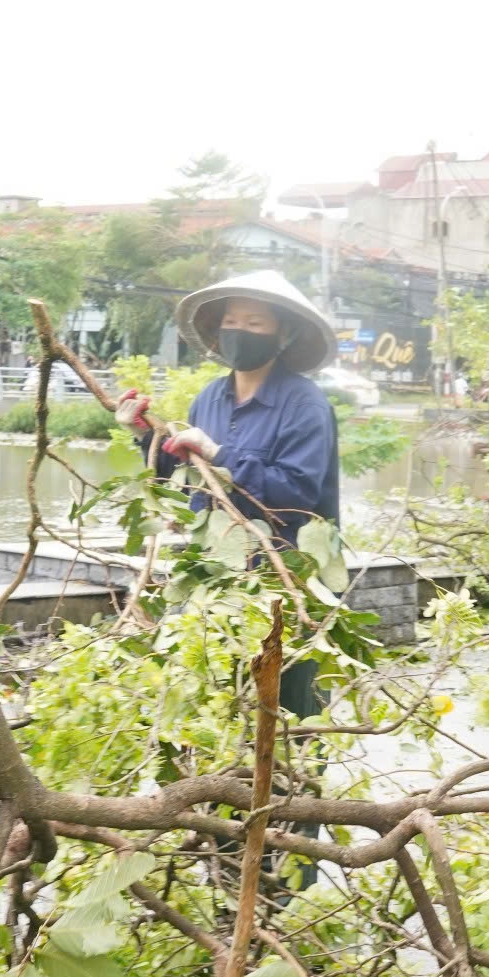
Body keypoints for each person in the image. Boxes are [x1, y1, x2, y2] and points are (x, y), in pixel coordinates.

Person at [115, 268, 342, 713]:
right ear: (217, 331)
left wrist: (220, 453)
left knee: (291, 709)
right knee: (220, 704)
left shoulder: (305, 405)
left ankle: (300, 784)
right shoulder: (209, 399)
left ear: (284, 333)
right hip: (217, 580)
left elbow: (295, 494)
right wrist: (145, 435)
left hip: (285, 578)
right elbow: (188, 480)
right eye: (232, 322)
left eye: (256, 323)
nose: (241, 331)